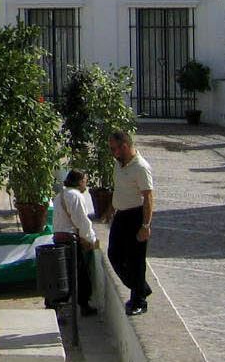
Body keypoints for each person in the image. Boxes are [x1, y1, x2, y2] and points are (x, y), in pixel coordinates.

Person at [104, 131, 154, 316]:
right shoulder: (119, 164)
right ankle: (141, 288)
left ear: (124, 146)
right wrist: (111, 208)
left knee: (135, 260)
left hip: (135, 215)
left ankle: (139, 300)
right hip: (121, 215)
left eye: (114, 149)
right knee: (114, 254)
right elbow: (119, 189)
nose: (112, 153)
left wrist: (145, 225)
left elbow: (148, 197)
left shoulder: (141, 167)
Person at [52, 169, 99, 316]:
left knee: (62, 273)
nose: (86, 184)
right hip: (70, 240)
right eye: (85, 181)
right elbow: (82, 221)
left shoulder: (59, 196)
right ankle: (84, 305)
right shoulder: (76, 196)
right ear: (79, 182)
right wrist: (91, 239)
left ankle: (57, 307)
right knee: (80, 274)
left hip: (58, 238)